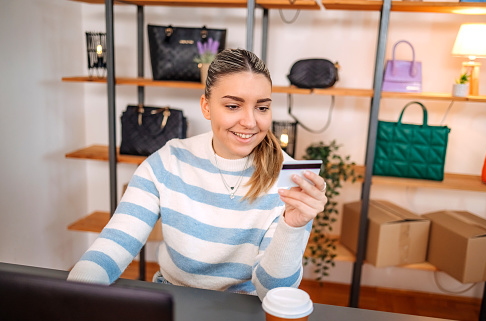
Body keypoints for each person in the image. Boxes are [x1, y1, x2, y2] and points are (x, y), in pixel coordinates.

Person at [68, 48, 327, 300]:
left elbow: (273, 293)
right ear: (206, 106)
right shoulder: (169, 161)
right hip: (173, 304)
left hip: (244, 312)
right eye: (233, 106)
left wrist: (292, 226)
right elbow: (115, 244)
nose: (250, 121)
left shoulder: (290, 180)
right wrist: (70, 301)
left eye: (261, 108)